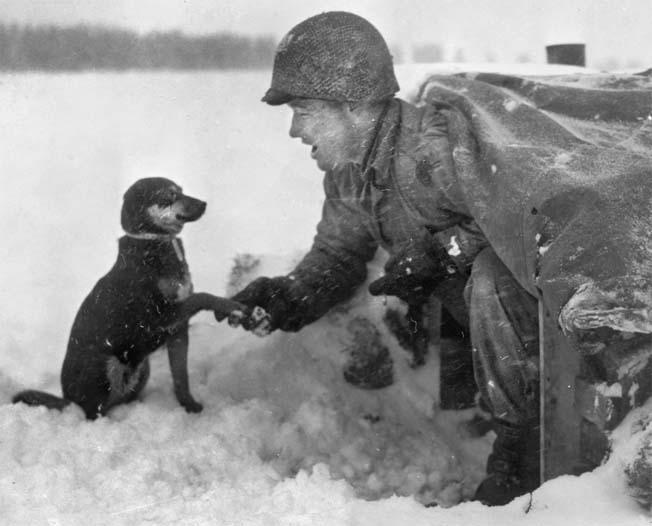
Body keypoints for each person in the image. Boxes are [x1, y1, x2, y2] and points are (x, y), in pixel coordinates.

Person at [231, 11, 652, 506]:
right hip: (487, 340)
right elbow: (340, 250)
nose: (295, 131)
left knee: (491, 276)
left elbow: (523, 220)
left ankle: (524, 451)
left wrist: (442, 252)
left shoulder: (438, 149)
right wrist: (292, 294)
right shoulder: (348, 174)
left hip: (535, 322)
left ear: (350, 105)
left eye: (304, 111)